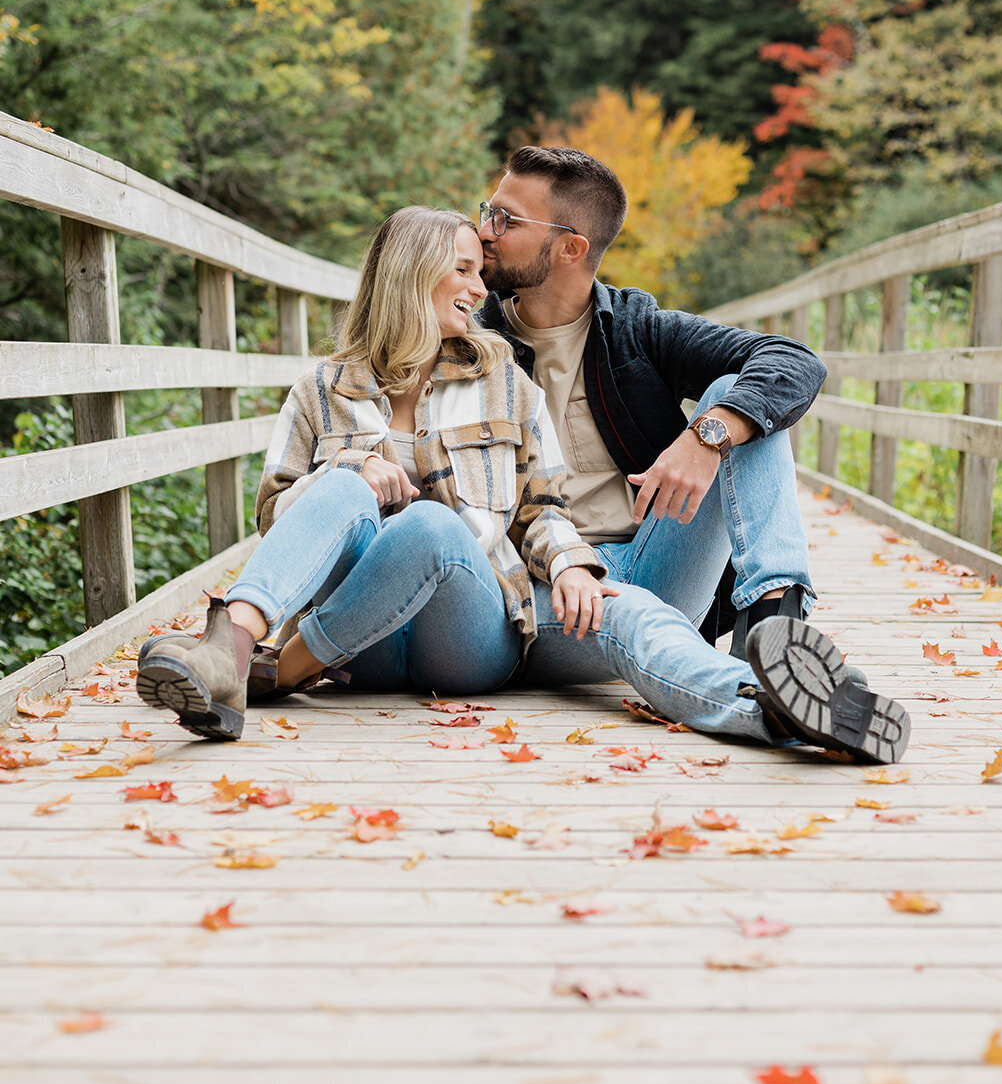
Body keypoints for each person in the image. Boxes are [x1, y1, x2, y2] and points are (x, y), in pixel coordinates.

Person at [136, 206, 909, 764]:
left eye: (481, 267)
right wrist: (349, 471)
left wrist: (570, 561)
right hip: (361, 629)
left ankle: (770, 705)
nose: (482, 289)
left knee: (606, 596)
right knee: (342, 487)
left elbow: (539, 500)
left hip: (466, 632)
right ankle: (227, 651)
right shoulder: (320, 389)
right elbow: (274, 512)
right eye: (465, 269)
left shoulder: (503, 379)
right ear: (410, 271)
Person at [475, 146, 825, 660]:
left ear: (571, 248)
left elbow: (795, 360)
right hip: (541, 580)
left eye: (506, 220)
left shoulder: (636, 330)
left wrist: (706, 436)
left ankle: (774, 631)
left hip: (657, 567)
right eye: (488, 211)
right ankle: (731, 666)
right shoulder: (468, 339)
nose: (485, 230)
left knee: (735, 399)